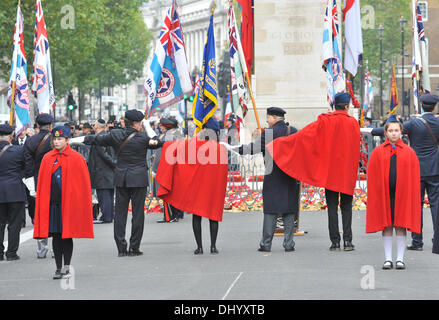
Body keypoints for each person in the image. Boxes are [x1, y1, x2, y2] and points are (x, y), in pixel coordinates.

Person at [266, 93, 361, 251]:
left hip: (331, 172)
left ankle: (335, 242)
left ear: (334, 105)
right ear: (346, 106)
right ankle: (348, 241)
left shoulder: (326, 121)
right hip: (346, 171)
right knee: (346, 206)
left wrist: (281, 144)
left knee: (331, 206)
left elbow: (304, 136)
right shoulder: (353, 123)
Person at [74, 110, 162, 257]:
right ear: (136, 123)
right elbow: (158, 142)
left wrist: (71, 140)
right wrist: (148, 127)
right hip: (138, 179)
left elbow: (94, 139)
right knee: (138, 214)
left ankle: (121, 247)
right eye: (140, 122)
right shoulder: (142, 137)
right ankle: (134, 247)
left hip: (121, 178)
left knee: (120, 214)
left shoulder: (115, 135)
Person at [366, 94, 439, 253]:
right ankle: (437, 241)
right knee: (436, 206)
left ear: (421, 106)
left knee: (416, 206)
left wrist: (369, 130)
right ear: (434, 107)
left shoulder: (414, 123)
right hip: (435, 168)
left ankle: (417, 241)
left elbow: (393, 130)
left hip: (415, 169)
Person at [222, 107, 300, 252]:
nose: (266, 120)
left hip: (273, 173)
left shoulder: (269, 133)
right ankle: (289, 244)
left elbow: (252, 148)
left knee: (270, 209)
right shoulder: (293, 130)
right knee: (289, 209)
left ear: (275, 118)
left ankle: (266, 243)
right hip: (290, 174)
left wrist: (233, 148)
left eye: (268, 117)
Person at [155, 117, 228, 254]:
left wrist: (157, 142)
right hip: (213, 188)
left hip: (197, 188)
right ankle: (213, 246)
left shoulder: (193, 145)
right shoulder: (220, 149)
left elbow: (174, 148)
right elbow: (224, 172)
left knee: (197, 216)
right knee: (213, 216)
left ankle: (199, 247)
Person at [34, 126, 94, 279]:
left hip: (69, 205)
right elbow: (41, 184)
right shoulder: (47, 158)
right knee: (56, 236)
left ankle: (66, 267)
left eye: (60, 139)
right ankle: (58, 268)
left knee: (67, 236)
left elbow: (82, 185)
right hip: (53, 204)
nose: (57, 141)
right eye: (55, 139)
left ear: (67, 140)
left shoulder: (76, 158)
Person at [366, 118, 421, 270]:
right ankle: (388, 259)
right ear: (385, 133)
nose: (394, 133)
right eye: (390, 131)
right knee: (387, 226)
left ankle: (400, 259)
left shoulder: (409, 152)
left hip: (403, 194)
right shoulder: (378, 151)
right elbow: (373, 175)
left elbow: (414, 176)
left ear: (401, 133)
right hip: (385, 194)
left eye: (396, 130)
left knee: (401, 225)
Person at [24, 113, 55, 259]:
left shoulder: (30, 141)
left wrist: (31, 185)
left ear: (37, 126)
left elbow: (27, 165)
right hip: (55, 181)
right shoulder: (55, 140)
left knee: (40, 215)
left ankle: (42, 249)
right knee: (55, 214)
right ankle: (56, 248)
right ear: (50, 126)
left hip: (37, 181)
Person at [0, 124, 30, 261]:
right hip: (15, 190)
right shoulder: (19, 150)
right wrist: (18, 176)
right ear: (12, 136)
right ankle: (11, 253)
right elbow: (27, 168)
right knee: (14, 223)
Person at [152, 117, 184, 223]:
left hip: (167, 167)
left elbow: (161, 154)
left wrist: (156, 168)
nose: (160, 127)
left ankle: (171, 214)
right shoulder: (176, 134)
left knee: (168, 191)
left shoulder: (169, 136)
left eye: (161, 125)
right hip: (174, 166)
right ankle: (178, 213)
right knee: (175, 191)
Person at [88, 119, 116, 224]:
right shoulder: (106, 135)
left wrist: (113, 164)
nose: (93, 126)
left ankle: (106, 216)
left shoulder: (100, 137)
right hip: (107, 170)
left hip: (101, 170)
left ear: (98, 126)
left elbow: (104, 154)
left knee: (103, 194)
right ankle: (108, 215)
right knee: (108, 194)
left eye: (94, 124)